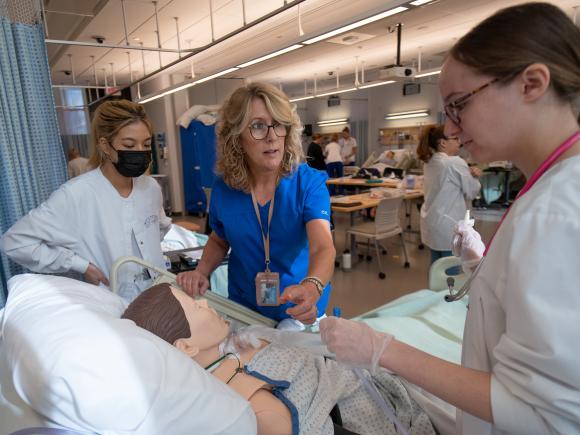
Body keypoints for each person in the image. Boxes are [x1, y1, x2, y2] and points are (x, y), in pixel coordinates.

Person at [321, 3, 580, 434]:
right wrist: (486, 267)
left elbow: (543, 414)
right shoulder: (551, 189)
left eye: (459, 105)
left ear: (532, 83)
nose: (452, 128)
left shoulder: (556, 210)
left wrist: (379, 348)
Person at [122, 283, 436, 435]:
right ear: (185, 347)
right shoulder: (232, 388)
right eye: (194, 305)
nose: (205, 301)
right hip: (355, 394)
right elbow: (286, 427)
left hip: (345, 360)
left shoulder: (228, 350)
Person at [176, 83, 335, 327]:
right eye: (258, 126)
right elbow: (220, 239)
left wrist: (312, 285)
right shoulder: (225, 189)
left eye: (278, 124)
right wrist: (201, 272)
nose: (272, 136)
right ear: (236, 138)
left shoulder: (307, 184)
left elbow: (322, 246)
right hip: (244, 309)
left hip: (299, 311)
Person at [1, 100, 171, 298]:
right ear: (105, 146)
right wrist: (80, 265)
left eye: (146, 144)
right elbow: (14, 242)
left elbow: (159, 228)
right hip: (112, 301)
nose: (140, 151)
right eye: (129, 145)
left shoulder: (150, 188)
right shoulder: (76, 195)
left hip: (158, 293)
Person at [416, 125, 481, 265]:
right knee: (449, 273)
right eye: (455, 138)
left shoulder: (429, 162)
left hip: (432, 223)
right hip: (448, 226)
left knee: (437, 268)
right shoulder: (454, 162)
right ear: (443, 143)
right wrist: (475, 177)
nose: (459, 142)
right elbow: (472, 191)